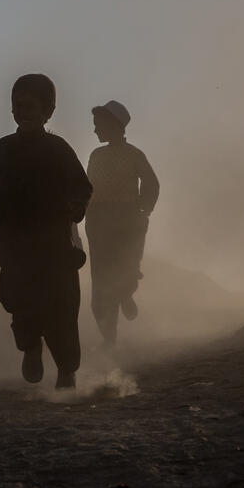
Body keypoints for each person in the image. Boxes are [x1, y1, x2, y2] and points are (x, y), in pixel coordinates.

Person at [0, 74, 93, 390]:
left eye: (31, 106)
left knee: (61, 309)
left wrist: (76, 206)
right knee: (20, 303)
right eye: (17, 106)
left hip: (55, 246)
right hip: (15, 246)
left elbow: (81, 186)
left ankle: (66, 370)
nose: (23, 112)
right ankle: (31, 347)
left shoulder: (58, 149)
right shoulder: (3, 148)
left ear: (48, 111)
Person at [85, 100, 160, 345]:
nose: (95, 130)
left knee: (125, 272)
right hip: (98, 223)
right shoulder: (96, 156)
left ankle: (126, 295)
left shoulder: (134, 155)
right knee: (101, 283)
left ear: (113, 125)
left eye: (99, 125)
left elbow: (151, 184)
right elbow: (86, 189)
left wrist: (143, 211)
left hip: (127, 222)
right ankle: (109, 338)